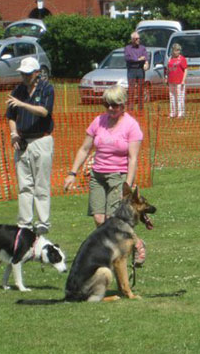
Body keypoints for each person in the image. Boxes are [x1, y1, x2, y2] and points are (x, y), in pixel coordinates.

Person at [63, 85, 146, 264]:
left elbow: (132, 159)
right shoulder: (98, 121)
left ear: (123, 105)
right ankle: (114, 250)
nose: (110, 109)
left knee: (112, 220)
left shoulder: (131, 126)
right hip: (98, 176)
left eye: (114, 105)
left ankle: (136, 244)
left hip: (118, 176)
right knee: (100, 219)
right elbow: (84, 149)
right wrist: (72, 173)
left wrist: (128, 186)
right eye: (106, 104)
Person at [6, 56, 55, 235]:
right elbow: (10, 115)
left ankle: (43, 223)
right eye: (22, 74)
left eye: (27, 74)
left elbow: (44, 111)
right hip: (23, 142)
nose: (24, 77)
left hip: (41, 140)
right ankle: (24, 223)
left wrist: (22, 104)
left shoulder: (47, 88)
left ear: (36, 73)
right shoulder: (18, 90)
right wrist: (13, 134)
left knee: (41, 184)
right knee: (24, 185)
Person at [124, 31, 149, 112]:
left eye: (139, 38)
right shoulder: (128, 48)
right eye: (136, 39)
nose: (138, 40)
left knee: (141, 90)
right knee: (131, 90)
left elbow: (145, 57)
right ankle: (130, 109)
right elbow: (128, 58)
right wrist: (138, 59)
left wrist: (145, 62)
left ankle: (141, 109)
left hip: (140, 70)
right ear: (132, 40)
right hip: (131, 70)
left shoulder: (142, 48)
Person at [165, 43, 188, 118]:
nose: (177, 52)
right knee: (172, 96)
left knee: (179, 96)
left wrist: (183, 80)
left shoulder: (182, 59)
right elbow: (167, 69)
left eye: (178, 50)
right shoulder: (170, 58)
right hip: (171, 80)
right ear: (173, 51)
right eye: (176, 50)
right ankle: (173, 113)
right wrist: (166, 77)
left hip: (179, 81)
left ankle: (181, 113)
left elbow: (185, 70)